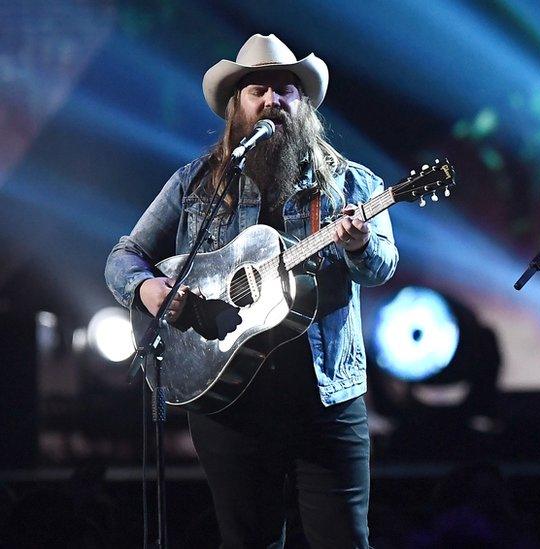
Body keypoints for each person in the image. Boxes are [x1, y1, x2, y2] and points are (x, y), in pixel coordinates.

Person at [105, 34, 398, 548]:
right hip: (229, 397)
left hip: (325, 397)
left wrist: (359, 244)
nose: (271, 101)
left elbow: (381, 268)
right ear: (237, 107)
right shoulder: (195, 183)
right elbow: (124, 255)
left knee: (345, 540)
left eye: (285, 90)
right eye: (257, 90)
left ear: (303, 103)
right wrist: (148, 287)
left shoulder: (353, 186)